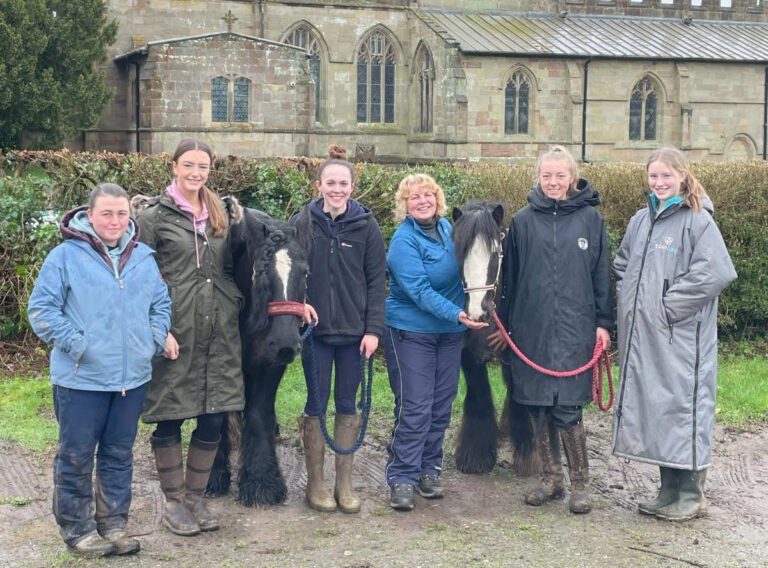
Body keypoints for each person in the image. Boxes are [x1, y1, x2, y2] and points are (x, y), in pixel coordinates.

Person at [28, 183, 172, 558]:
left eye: (121, 214)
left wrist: (153, 339)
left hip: (132, 379)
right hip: (81, 379)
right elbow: (42, 311)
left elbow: (161, 303)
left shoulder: (143, 258)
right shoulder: (64, 257)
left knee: (119, 455)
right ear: (89, 216)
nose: (114, 221)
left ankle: (114, 526)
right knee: (76, 455)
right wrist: (79, 345)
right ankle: (78, 531)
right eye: (106, 213)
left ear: (130, 217)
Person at [612, 147, 736, 521]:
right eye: (653, 176)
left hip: (681, 338)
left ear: (683, 175)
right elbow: (622, 264)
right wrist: (633, 305)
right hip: (645, 336)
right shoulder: (640, 220)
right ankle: (667, 490)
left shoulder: (698, 221)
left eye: (666, 176)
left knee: (685, 408)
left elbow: (715, 273)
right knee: (657, 407)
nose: (659, 183)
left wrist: (667, 307)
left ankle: (692, 494)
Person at [490, 145, 613, 514]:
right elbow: (508, 278)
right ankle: (550, 478)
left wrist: (604, 324)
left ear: (572, 177)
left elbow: (602, 276)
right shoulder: (524, 221)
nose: (554, 182)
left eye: (560, 175)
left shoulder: (592, 220)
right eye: (547, 176)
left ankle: (580, 484)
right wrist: (505, 326)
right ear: (538, 178)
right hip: (532, 328)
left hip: (576, 329)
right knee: (537, 406)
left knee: (569, 409)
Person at [134, 139, 244, 536]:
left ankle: (196, 498)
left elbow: (230, 267)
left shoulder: (220, 212)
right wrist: (157, 329)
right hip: (176, 329)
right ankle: (174, 502)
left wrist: (234, 306)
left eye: (203, 167)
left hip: (219, 329)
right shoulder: (154, 216)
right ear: (175, 166)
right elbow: (139, 277)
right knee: (171, 415)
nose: (196, 173)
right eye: (189, 165)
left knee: (214, 414)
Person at [290, 145, 386, 514]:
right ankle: (315, 485)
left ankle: (343, 484)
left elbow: (377, 282)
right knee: (316, 403)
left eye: (343, 183)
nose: (337, 189)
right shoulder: (303, 223)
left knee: (348, 404)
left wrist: (373, 330)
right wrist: (299, 303)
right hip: (315, 335)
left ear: (352, 186)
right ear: (319, 185)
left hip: (354, 336)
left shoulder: (367, 226)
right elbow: (293, 272)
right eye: (330, 182)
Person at [384, 173, 488, 511]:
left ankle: (429, 470)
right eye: (414, 197)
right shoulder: (403, 241)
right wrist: (459, 314)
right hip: (412, 332)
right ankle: (402, 475)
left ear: (438, 199)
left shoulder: (450, 231)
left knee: (441, 407)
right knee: (415, 407)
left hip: (449, 335)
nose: (422, 201)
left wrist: (478, 306)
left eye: (428, 195)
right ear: (404, 205)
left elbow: (470, 272)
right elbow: (419, 291)